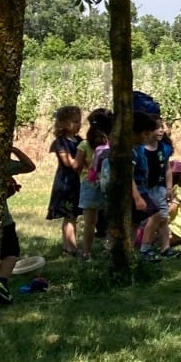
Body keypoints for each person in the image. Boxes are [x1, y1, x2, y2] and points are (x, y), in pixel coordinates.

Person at [132, 113, 178, 261]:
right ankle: (145, 247)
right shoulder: (139, 150)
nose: (160, 131)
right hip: (144, 189)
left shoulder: (164, 149)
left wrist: (169, 188)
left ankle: (166, 248)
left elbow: (167, 169)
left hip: (159, 188)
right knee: (152, 218)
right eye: (157, 128)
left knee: (163, 218)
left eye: (162, 127)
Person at [0, 145, 37, 306]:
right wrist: (14, 150)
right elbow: (30, 166)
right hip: (2, 219)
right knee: (11, 253)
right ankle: (1, 284)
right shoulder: (1, 164)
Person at [75, 108, 113, 259]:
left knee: (90, 222)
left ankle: (87, 252)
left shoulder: (84, 145)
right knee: (111, 219)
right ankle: (110, 250)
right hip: (110, 184)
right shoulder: (113, 144)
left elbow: (77, 166)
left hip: (89, 184)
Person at [46, 105, 83, 255]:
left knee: (74, 216)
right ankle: (70, 247)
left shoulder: (79, 140)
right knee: (69, 216)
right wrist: (82, 155)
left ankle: (69, 247)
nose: (78, 124)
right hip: (66, 183)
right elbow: (70, 163)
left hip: (77, 182)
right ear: (63, 123)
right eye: (74, 121)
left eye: (79, 121)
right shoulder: (60, 142)